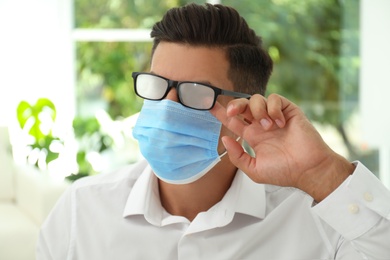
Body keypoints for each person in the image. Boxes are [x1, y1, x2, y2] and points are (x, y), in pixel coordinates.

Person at [37, 3, 390, 259]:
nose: (167, 105)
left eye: (195, 91)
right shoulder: (81, 210)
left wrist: (324, 173)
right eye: (157, 84)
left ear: (249, 108)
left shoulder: (318, 222)